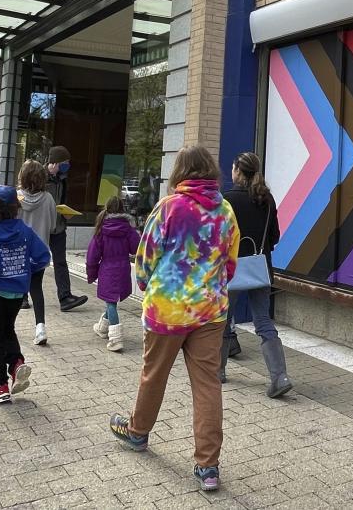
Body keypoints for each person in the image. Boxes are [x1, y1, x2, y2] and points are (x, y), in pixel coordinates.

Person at [110, 146, 240, 493]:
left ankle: (137, 433)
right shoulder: (225, 211)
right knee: (208, 385)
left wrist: (144, 283)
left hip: (167, 310)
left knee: (154, 375)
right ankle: (208, 466)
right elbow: (230, 262)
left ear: (181, 172)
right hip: (210, 312)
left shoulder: (168, 207)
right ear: (211, 172)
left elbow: (146, 256)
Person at [220, 152, 292, 398]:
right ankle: (279, 376)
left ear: (238, 172)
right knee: (263, 320)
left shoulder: (226, 200)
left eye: (232, 168)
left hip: (231, 270)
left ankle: (217, 372)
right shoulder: (266, 199)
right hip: (260, 269)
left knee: (222, 320)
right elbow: (274, 237)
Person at [0, 186, 51, 404]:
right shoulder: (25, 230)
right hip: (17, 295)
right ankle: (17, 362)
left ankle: (0, 386)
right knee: (7, 329)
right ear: (15, 207)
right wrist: (26, 269)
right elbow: (43, 257)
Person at [87, 196, 140, 352]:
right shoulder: (128, 229)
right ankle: (102, 328)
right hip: (123, 268)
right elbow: (136, 248)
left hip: (107, 269)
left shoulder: (101, 230)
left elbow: (92, 256)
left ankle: (116, 339)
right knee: (112, 301)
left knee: (110, 303)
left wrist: (92, 273)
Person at [18, 160, 57, 345]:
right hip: (39, 252)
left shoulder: (16, 198)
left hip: (18, 252)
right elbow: (53, 225)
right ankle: (40, 327)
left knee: (14, 290)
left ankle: (7, 327)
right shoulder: (48, 199)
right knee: (36, 288)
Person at [45, 146, 88, 311]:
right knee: (34, 263)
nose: (67, 165)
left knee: (60, 262)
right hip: (42, 227)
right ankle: (22, 297)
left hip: (58, 227)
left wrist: (65, 214)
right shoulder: (40, 177)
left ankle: (65, 297)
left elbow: (61, 200)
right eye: (65, 162)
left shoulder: (63, 178)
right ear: (54, 162)